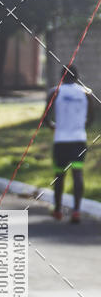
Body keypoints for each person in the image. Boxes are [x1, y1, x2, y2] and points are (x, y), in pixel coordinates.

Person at [43, 65, 94, 224]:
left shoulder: (55, 92)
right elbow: (92, 117)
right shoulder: (86, 93)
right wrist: (81, 127)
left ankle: (58, 210)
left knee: (60, 175)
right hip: (79, 139)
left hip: (61, 140)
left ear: (61, 77)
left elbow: (45, 118)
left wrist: (53, 126)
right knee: (77, 173)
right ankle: (76, 211)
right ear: (77, 77)